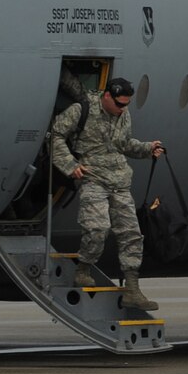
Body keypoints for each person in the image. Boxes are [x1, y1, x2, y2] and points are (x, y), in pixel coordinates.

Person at [48, 73, 165, 311]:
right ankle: (83, 268)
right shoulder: (82, 109)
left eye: (127, 105)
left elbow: (124, 143)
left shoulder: (122, 114)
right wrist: (70, 165)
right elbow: (56, 135)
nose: (123, 109)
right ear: (107, 96)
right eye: (120, 104)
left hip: (120, 181)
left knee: (131, 234)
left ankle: (132, 289)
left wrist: (146, 149)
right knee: (97, 228)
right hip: (93, 179)